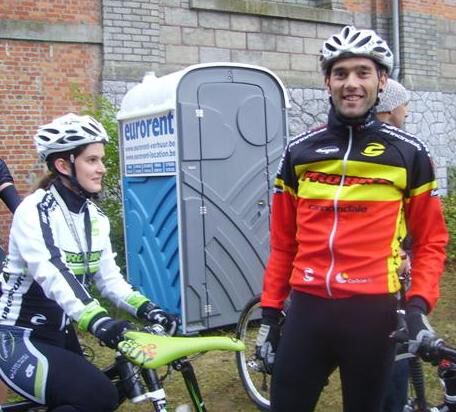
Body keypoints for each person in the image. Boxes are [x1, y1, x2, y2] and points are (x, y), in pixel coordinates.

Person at [255, 25, 448, 412]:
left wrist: (417, 306)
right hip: (308, 309)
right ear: (327, 81)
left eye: (363, 72)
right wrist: (271, 314)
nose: (351, 84)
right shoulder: (299, 151)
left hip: (373, 315)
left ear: (382, 80)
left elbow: (431, 241)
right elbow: (284, 243)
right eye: (340, 73)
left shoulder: (408, 152)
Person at [0, 113, 178, 411]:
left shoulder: (94, 217)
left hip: (61, 332)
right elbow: (52, 271)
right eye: (92, 160)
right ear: (63, 165)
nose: (102, 168)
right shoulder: (34, 210)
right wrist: (98, 320)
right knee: (98, 396)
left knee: (108, 392)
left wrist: (149, 308)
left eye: (101, 160)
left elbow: (109, 279)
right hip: (18, 337)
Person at [375, 78, 412, 412]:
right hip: (380, 272)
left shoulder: (406, 149)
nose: (408, 112)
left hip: (396, 261)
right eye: (405, 104)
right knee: (393, 343)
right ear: (388, 107)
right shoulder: (392, 152)